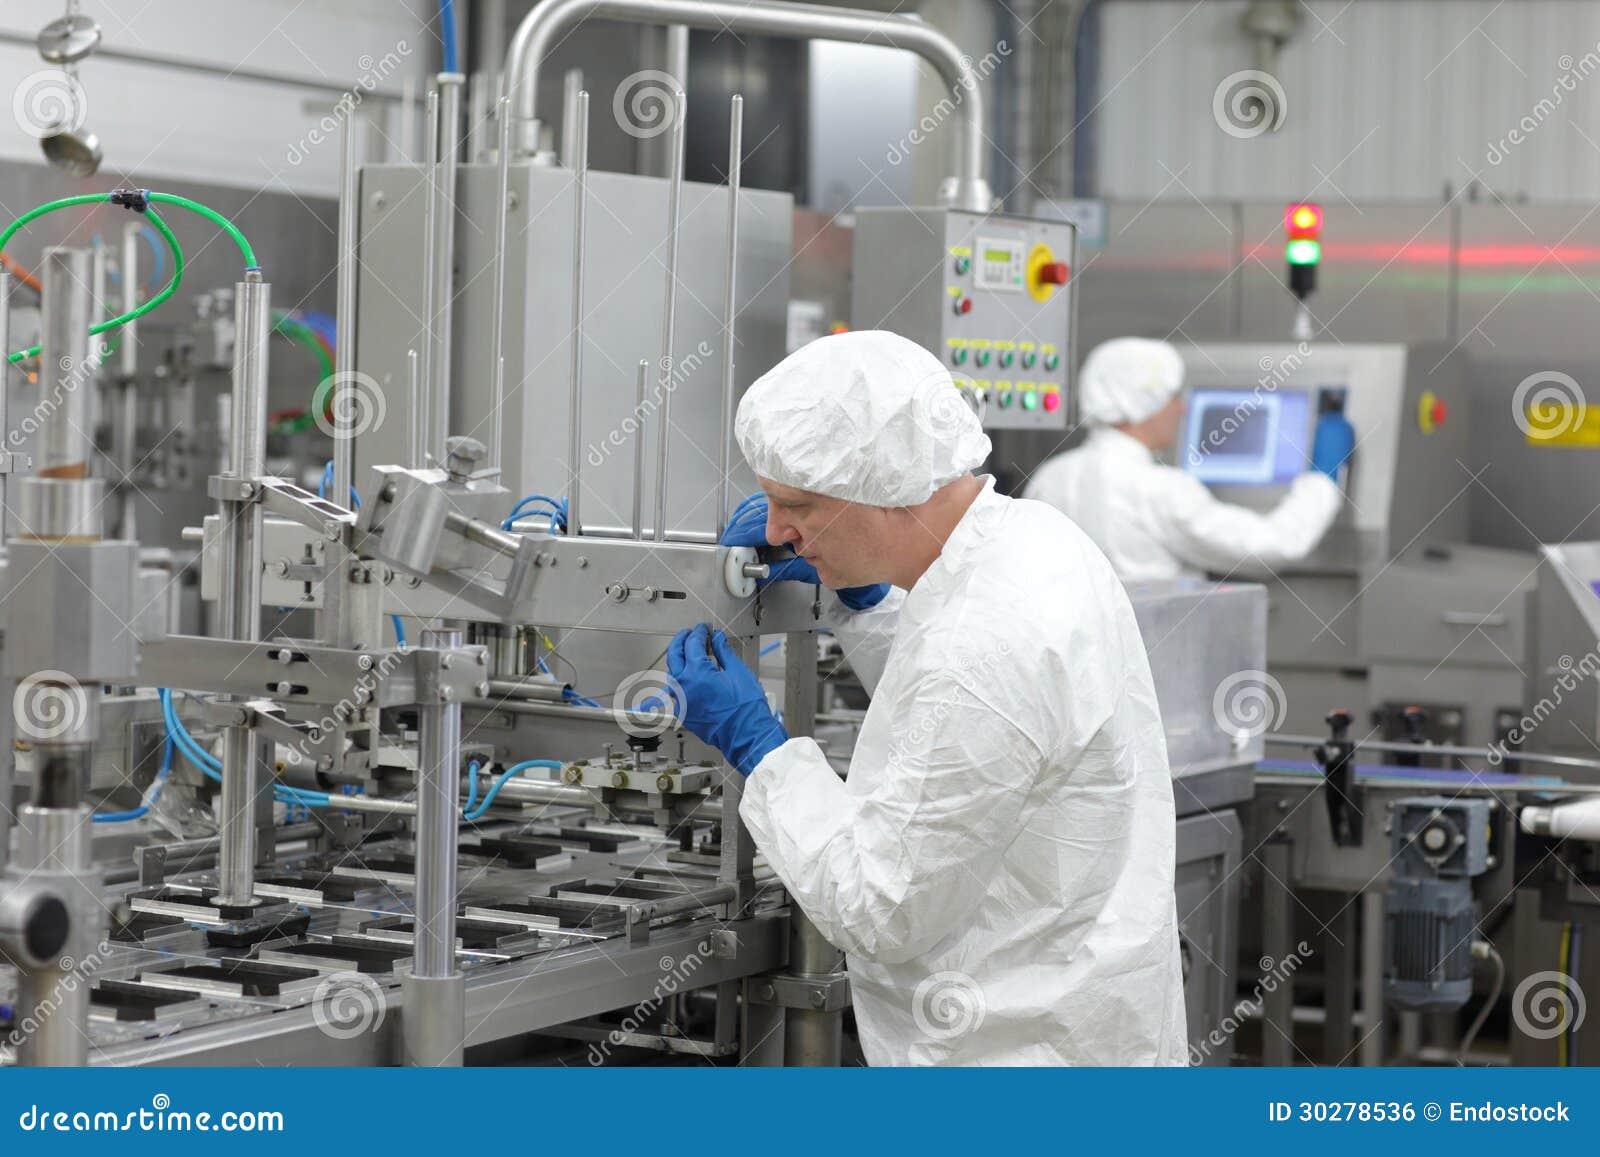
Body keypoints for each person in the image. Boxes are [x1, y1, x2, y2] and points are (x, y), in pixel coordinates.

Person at [664, 330, 1187, 1066]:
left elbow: (881, 909)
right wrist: (858, 604)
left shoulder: (981, 640)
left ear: (882, 490)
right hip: (1081, 1021)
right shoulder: (1035, 540)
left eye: (798, 505)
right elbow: (952, 708)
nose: (779, 530)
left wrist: (763, 750)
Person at [1023, 337, 1354, 582]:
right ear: (1143, 405)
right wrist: (1324, 477)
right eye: (1172, 397)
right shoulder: (1160, 490)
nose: (1182, 408)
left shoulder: (1049, 478)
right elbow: (1275, 545)